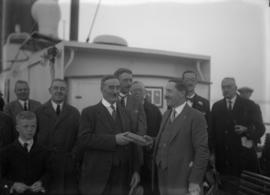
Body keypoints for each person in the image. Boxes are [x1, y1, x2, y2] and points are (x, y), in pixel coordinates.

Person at [74, 75, 140, 195]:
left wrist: (136, 170)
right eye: (111, 87)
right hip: (97, 175)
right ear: (101, 89)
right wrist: (114, 139)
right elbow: (84, 139)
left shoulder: (125, 113)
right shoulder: (89, 112)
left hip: (122, 176)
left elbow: (132, 143)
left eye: (117, 87)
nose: (115, 91)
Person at [146, 78, 209, 195]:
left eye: (169, 91)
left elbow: (202, 151)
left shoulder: (196, 116)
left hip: (183, 178)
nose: (165, 95)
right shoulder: (166, 114)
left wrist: (195, 181)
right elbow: (168, 140)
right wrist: (153, 141)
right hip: (162, 176)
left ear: (182, 93)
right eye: (166, 91)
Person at [211, 78, 265, 194]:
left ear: (235, 88)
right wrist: (211, 154)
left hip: (243, 161)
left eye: (229, 87)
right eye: (223, 87)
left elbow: (261, 129)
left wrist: (246, 130)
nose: (225, 90)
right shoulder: (216, 106)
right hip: (223, 163)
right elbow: (212, 132)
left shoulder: (250, 106)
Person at [35, 79, 80, 195]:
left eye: (62, 89)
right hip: (44, 165)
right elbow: (33, 137)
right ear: (50, 90)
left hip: (67, 164)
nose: (59, 91)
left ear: (66, 91)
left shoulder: (74, 112)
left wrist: (73, 156)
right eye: (56, 88)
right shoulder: (38, 111)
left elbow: (79, 138)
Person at [0, 111, 51, 195]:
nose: (30, 130)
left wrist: (42, 182)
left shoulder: (45, 151)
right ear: (17, 128)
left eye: (33, 126)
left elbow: (49, 173)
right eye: (25, 126)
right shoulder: (5, 152)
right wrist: (12, 185)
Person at [130, 81, 162, 195]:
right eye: (134, 90)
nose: (137, 93)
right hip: (131, 155)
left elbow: (160, 133)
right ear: (130, 93)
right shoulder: (124, 108)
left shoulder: (155, 110)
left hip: (149, 157)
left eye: (140, 90)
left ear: (145, 92)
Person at [182, 71, 211, 146]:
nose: (190, 82)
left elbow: (208, 127)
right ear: (183, 81)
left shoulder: (205, 103)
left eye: (192, 80)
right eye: (187, 80)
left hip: (198, 144)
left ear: (196, 82)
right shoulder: (176, 101)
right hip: (180, 145)